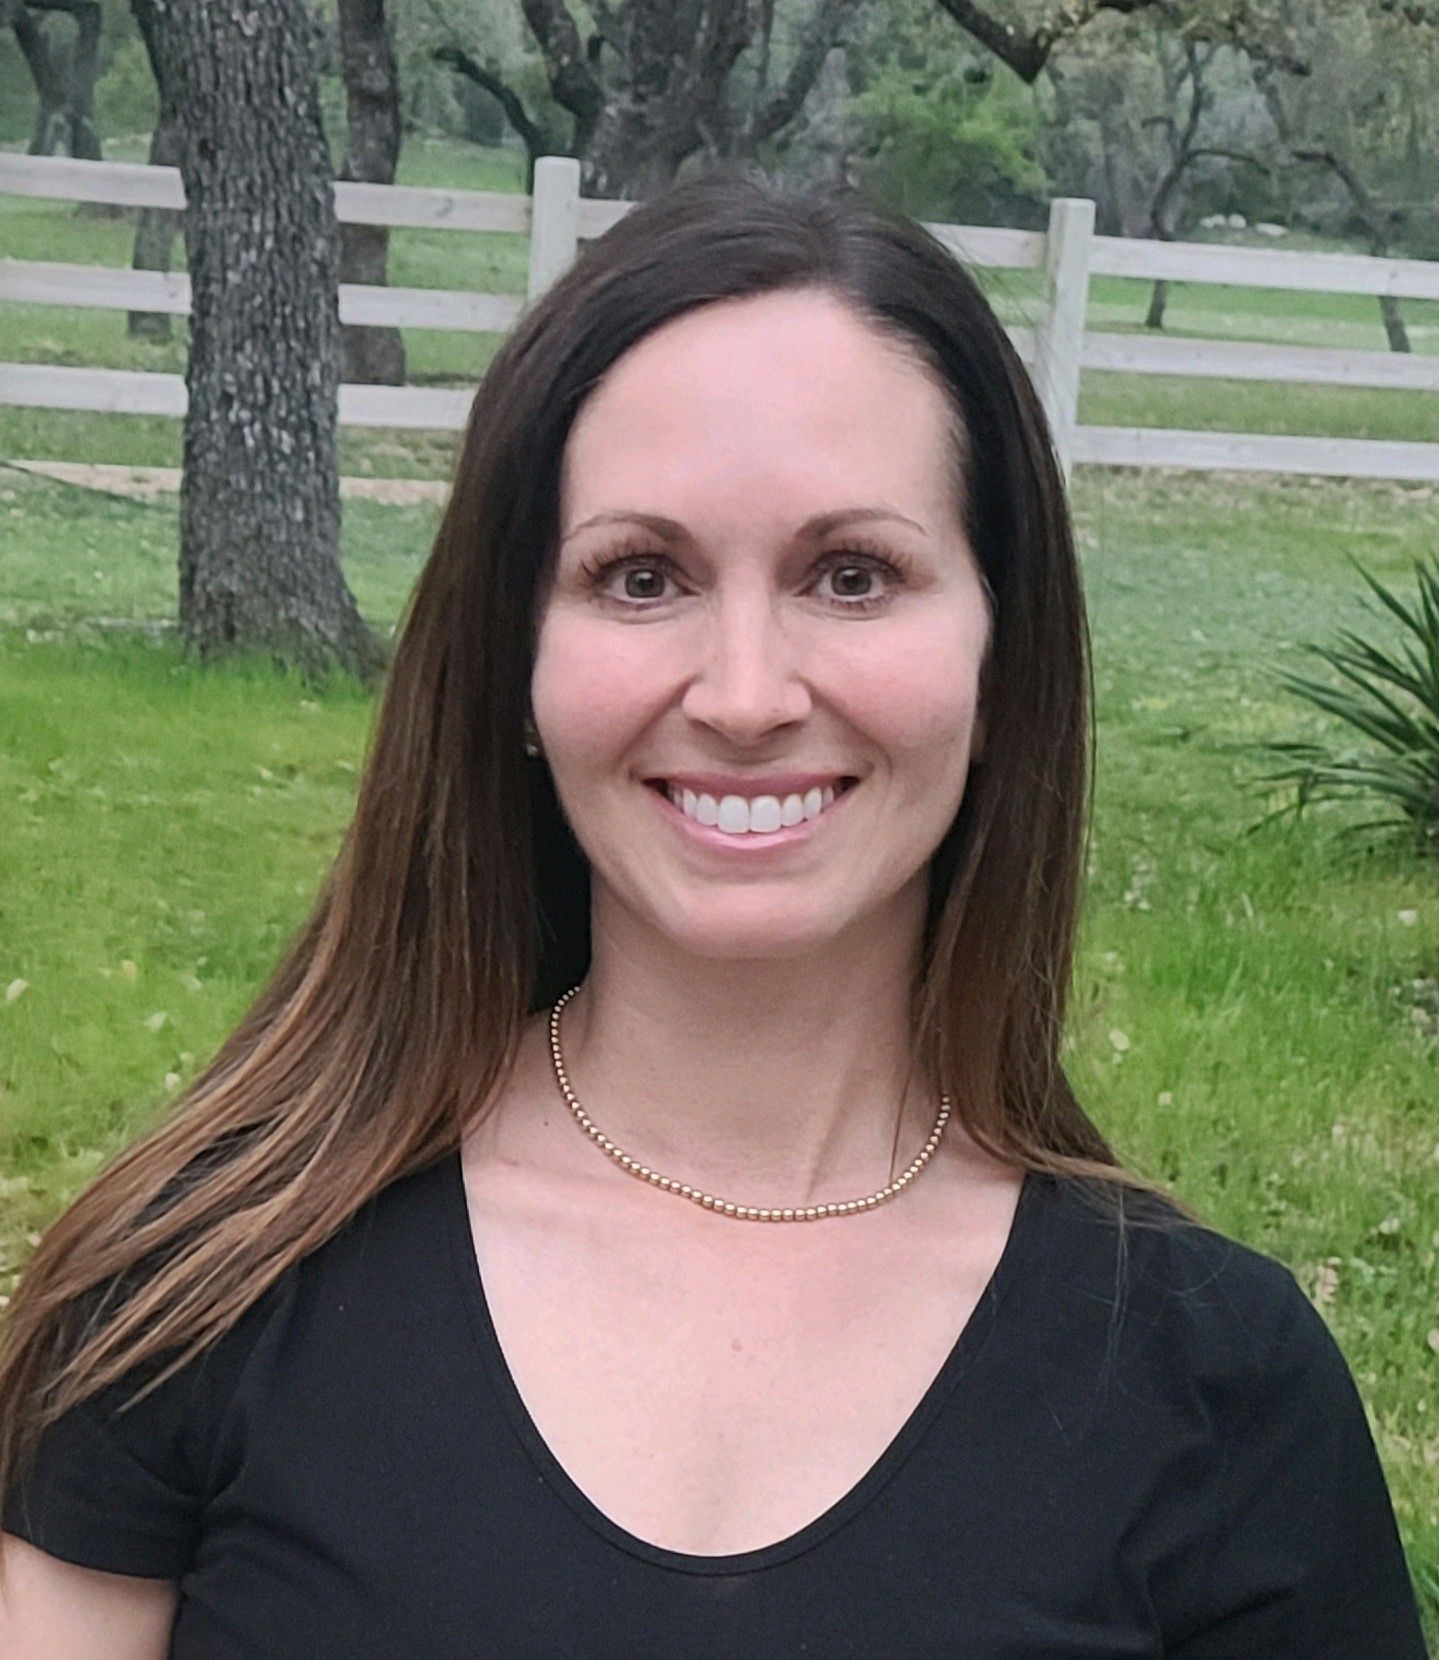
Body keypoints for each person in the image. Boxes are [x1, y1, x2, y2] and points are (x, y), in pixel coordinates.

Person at [0, 165, 1428, 1660]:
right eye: (640, 576)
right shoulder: (203, 1284)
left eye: (854, 575)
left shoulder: (1221, 1384)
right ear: (518, 666)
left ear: (1003, 658)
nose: (745, 695)